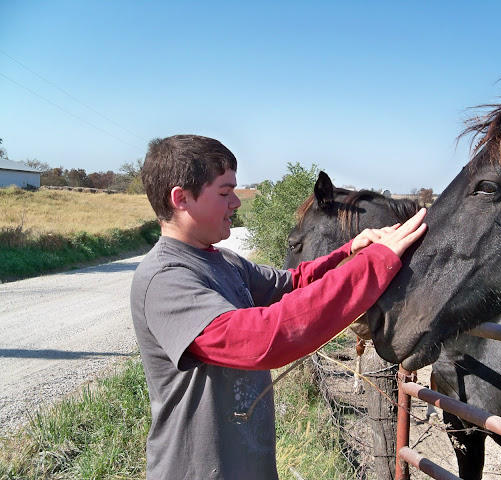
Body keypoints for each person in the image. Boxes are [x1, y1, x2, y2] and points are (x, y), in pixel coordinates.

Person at [130, 134, 427, 480]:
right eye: (225, 193)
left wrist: (350, 250)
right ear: (181, 199)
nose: (236, 203)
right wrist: (375, 264)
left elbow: (293, 281)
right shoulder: (165, 279)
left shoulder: (225, 261)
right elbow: (261, 339)